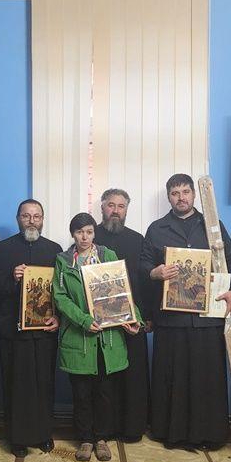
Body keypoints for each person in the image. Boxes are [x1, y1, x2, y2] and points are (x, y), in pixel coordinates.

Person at [139, 173, 231, 449]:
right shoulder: (156, 229)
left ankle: (208, 434)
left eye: (185, 192)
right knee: (171, 377)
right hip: (171, 319)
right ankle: (170, 433)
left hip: (207, 319)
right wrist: (155, 272)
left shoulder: (212, 225)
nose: (181, 198)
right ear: (168, 197)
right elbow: (143, 264)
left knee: (206, 377)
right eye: (175, 193)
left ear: (194, 195)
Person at [53, 212, 141, 462]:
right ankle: (85, 439)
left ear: (94, 233)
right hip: (78, 337)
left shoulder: (107, 255)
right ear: (73, 234)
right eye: (80, 232)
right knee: (81, 394)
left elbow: (122, 290)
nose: (85, 237)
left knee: (105, 393)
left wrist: (134, 319)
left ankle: (101, 439)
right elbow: (60, 297)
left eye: (89, 232)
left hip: (108, 339)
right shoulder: (63, 261)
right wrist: (83, 320)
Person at [0, 199, 61, 458]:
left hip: (44, 331)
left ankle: (43, 434)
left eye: (36, 216)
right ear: (18, 218)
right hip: (13, 331)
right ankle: (17, 438)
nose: (31, 221)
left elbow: (63, 291)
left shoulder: (54, 250)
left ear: (42, 219)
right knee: (16, 385)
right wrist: (12, 278)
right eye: (26, 216)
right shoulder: (2, 249)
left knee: (44, 383)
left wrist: (58, 318)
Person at [93, 188, 151, 443]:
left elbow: (145, 281)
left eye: (121, 206)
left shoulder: (138, 240)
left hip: (132, 319)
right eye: (111, 205)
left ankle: (131, 428)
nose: (115, 211)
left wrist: (146, 315)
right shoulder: (89, 236)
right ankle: (102, 430)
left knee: (133, 375)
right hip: (99, 322)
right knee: (103, 378)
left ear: (127, 210)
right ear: (102, 207)